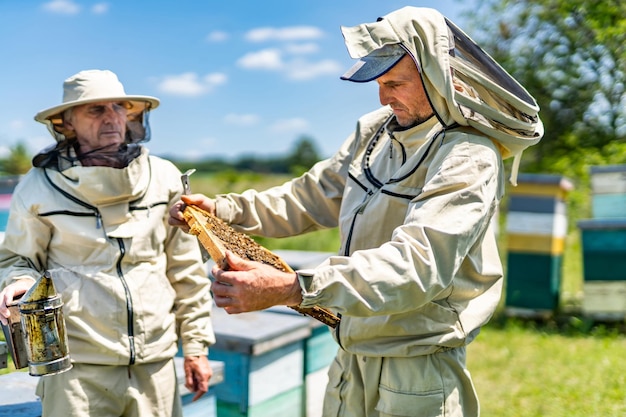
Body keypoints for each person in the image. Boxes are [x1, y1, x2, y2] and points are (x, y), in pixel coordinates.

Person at [169, 7, 543, 417]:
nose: (384, 96)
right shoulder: (374, 133)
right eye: (380, 84)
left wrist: (295, 287)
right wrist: (225, 209)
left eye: (395, 83)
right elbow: (309, 197)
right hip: (350, 356)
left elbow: (418, 266)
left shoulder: (467, 155)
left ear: (436, 75)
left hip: (415, 371)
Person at [0, 69, 216, 417]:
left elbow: (185, 268)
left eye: (119, 107)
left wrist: (196, 347)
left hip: (155, 364)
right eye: (96, 110)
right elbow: (16, 260)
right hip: (76, 371)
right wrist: (20, 282)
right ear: (66, 122)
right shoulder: (38, 187)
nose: (112, 117)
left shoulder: (164, 178)